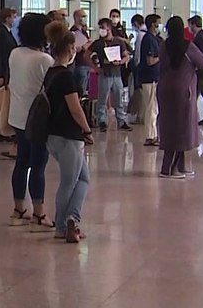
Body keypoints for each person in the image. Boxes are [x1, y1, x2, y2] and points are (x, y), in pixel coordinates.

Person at [43, 21, 92, 243]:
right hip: (68, 136)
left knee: (83, 178)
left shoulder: (51, 73)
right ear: (71, 49)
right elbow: (75, 107)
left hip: (52, 134)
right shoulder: (66, 76)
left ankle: (72, 217)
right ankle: (63, 225)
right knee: (69, 182)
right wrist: (87, 129)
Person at [8, 13, 55, 230]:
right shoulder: (44, 59)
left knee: (21, 162)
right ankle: (39, 212)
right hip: (38, 119)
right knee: (38, 165)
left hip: (17, 116)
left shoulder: (15, 53)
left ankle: (19, 208)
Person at [158, 16, 203, 178]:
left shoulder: (163, 46)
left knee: (169, 126)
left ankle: (179, 166)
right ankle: (169, 169)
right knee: (182, 128)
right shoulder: (188, 46)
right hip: (182, 91)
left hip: (164, 90)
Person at [89, 18, 132, 132]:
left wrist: (120, 62)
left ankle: (121, 121)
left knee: (118, 99)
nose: (102, 30)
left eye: (103, 27)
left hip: (116, 74)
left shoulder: (118, 42)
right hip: (104, 74)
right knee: (102, 99)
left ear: (109, 28)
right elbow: (86, 55)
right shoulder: (98, 43)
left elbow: (126, 56)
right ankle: (102, 121)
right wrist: (95, 68)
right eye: (100, 28)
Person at [0, 7, 19, 154]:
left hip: (8, 71)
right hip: (4, 72)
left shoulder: (7, 33)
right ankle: (1, 131)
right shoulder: (1, 34)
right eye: (13, 17)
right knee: (2, 103)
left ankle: (4, 131)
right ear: (6, 18)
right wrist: (0, 74)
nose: (14, 19)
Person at [134, 14, 162, 147]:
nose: (159, 26)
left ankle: (153, 134)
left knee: (153, 107)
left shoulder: (153, 39)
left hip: (153, 77)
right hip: (149, 78)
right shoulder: (149, 40)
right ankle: (150, 136)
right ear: (152, 24)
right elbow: (150, 61)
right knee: (151, 108)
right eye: (158, 24)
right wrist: (161, 57)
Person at [71, 9, 93, 95]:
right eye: (83, 16)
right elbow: (76, 48)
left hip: (86, 63)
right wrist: (85, 45)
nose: (85, 18)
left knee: (86, 88)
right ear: (76, 18)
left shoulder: (84, 31)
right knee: (80, 89)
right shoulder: (73, 32)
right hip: (79, 64)